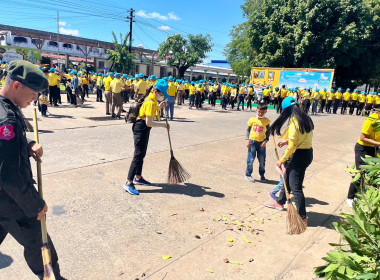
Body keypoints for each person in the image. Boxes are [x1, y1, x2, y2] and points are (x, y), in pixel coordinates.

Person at [0, 60, 66, 279]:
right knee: (40, 244)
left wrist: (27, 144)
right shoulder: (7, 117)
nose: (36, 98)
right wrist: (35, 204)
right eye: (34, 93)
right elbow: (8, 176)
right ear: (17, 86)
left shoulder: (7, 108)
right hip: (10, 198)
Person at [265, 96, 314, 225]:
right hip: (307, 153)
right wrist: (287, 141)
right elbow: (302, 137)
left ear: (287, 110)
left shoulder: (294, 123)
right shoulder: (305, 119)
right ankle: (280, 202)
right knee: (286, 176)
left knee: (296, 187)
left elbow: (292, 147)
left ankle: (302, 217)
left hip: (298, 155)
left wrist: (282, 160)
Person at [123, 80, 170, 195]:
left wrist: (159, 107)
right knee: (138, 155)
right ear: (155, 92)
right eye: (162, 93)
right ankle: (129, 182)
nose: (162, 96)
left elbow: (150, 114)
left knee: (142, 154)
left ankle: (138, 177)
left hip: (144, 128)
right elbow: (149, 122)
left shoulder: (153, 100)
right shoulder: (150, 101)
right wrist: (164, 125)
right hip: (141, 128)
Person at [346, 108, 380, 208]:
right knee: (360, 173)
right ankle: (350, 197)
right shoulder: (370, 121)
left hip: (374, 149)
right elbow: (363, 137)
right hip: (362, 149)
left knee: (371, 173)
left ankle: (361, 194)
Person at [245, 101, 271, 183]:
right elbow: (248, 130)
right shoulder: (252, 119)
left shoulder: (266, 121)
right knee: (251, 159)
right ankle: (248, 174)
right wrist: (247, 140)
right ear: (256, 110)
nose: (260, 113)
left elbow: (268, 132)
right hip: (252, 142)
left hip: (261, 143)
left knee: (262, 161)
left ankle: (262, 175)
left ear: (266, 112)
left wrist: (266, 140)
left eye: (263, 112)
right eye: (259, 111)